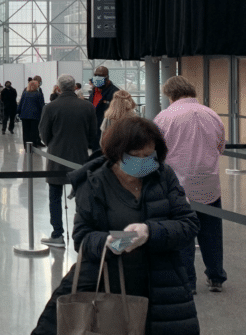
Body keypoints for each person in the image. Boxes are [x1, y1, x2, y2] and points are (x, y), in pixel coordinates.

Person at [31, 117, 200, 335]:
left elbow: (188, 224)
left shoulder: (162, 176)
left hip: (163, 285)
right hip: (106, 283)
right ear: (117, 153)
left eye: (149, 156)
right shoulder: (95, 183)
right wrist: (111, 242)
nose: (143, 162)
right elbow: (82, 238)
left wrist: (149, 232)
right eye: (135, 156)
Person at [154, 76, 227, 293]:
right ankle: (216, 277)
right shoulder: (212, 114)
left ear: (170, 94)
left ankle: (187, 281)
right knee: (212, 232)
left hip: (179, 185)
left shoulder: (164, 118)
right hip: (209, 184)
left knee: (183, 233)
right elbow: (220, 147)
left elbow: (157, 153)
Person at [37, 75, 98, 248]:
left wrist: (53, 144)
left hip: (56, 156)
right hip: (80, 157)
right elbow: (93, 133)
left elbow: (44, 134)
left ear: (58, 87)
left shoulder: (51, 107)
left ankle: (57, 234)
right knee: (82, 197)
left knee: (54, 197)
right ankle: (83, 233)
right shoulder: (87, 107)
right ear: (73, 87)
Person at [90, 65, 120, 146]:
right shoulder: (94, 91)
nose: (97, 78)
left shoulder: (115, 92)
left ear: (107, 78)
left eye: (100, 76)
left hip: (106, 130)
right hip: (94, 131)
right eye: (96, 75)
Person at [17, 80, 44, 148]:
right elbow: (41, 105)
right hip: (35, 116)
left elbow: (20, 104)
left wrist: (18, 112)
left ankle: (26, 147)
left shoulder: (25, 93)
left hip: (24, 116)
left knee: (25, 132)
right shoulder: (38, 94)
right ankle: (33, 145)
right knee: (34, 131)